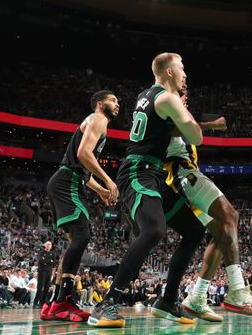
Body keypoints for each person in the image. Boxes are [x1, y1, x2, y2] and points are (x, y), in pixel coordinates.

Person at [89, 53, 203, 328]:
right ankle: (108, 302)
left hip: (152, 174)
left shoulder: (146, 95)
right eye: (182, 68)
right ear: (168, 73)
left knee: (195, 230)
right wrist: (186, 110)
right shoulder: (167, 98)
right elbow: (197, 136)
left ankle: (167, 300)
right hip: (138, 172)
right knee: (153, 230)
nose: (185, 74)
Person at [162, 87, 252, 321]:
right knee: (231, 216)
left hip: (183, 175)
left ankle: (197, 297)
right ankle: (237, 291)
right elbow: (174, 130)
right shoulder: (167, 111)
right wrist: (210, 125)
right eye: (182, 93)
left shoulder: (181, 114)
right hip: (181, 172)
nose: (186, 97)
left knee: (223, 232)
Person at [42, 90, 120, 323]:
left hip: (69, 180)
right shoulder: (98, 119)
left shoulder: (96, 122)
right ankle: (63, 302)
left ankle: (53, 302)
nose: (117, 104)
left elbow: (83, 168)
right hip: (68, 183)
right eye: (113, 100)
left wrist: (101, 191)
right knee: (82, 235)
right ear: (100, 104)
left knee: (74, 242)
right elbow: (83, 154)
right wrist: (108, 179)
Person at [35, 241, 56, 308]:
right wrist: (49, 261)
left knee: (47, 288)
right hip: (42, 271)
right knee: (40, 287)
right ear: (45, 245)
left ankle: (43, 302)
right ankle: (35, 302)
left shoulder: (52, 254)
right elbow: (41, 261)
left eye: (50, 245)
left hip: (49, 272)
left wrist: (46, 262)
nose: (49, 246)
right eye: (47, 244)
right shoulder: (41, 253)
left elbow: (54, 263)